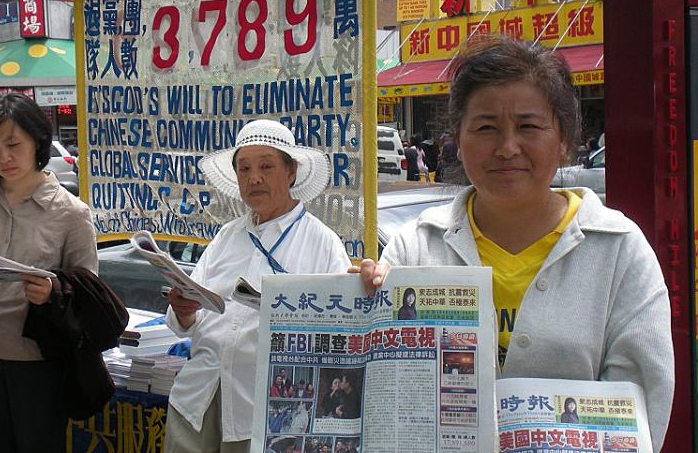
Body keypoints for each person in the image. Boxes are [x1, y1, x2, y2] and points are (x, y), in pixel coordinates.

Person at [354, 36, 674, 452]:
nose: (507, 148)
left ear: (563, 138)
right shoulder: (414, 248)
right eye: (486, 127)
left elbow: (642, 406)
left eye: (528, 126)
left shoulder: (619, 250)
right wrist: (360, 308)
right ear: (458, 138)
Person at [164, 119, 352, 453]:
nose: (255, 178)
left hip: (265, 414)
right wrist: (184, 311)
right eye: (244, 168)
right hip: (197, 400)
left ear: (291, 171)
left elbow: (338, 335)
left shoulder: (322, 243)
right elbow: (188, 322)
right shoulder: (227, 237)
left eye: (266, 166)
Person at [0, 94, 98, 453]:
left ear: (38, 141)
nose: (5, 157)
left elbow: (88, 293)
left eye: (14, 144)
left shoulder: (70, 213)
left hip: (36, 360)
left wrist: (52, 293)